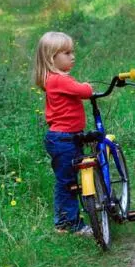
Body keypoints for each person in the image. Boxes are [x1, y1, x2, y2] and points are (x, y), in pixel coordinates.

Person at [32, 31, 94, 236]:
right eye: (67, 53)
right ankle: (70, 224)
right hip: (64, 140)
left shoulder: (55, 79)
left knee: (66, 181)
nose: (72, 56)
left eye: (72, 52)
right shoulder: (58, 80)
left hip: (67, 138)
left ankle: (64, 220)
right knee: (67, 182)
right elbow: (85, 92)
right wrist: (87, 86)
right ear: (52, 58)